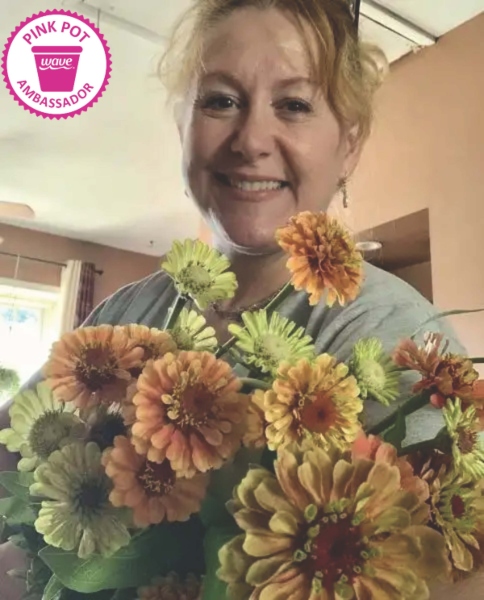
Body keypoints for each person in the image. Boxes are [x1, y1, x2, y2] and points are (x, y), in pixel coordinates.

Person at [1, 1, 482, 598]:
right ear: (182, 127)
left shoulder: (397, 332)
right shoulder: (124, 314)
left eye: (295, 105)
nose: (251, 139)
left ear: (349, 146)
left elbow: (455, 568)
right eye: (220, 101)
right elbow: (11, 447)